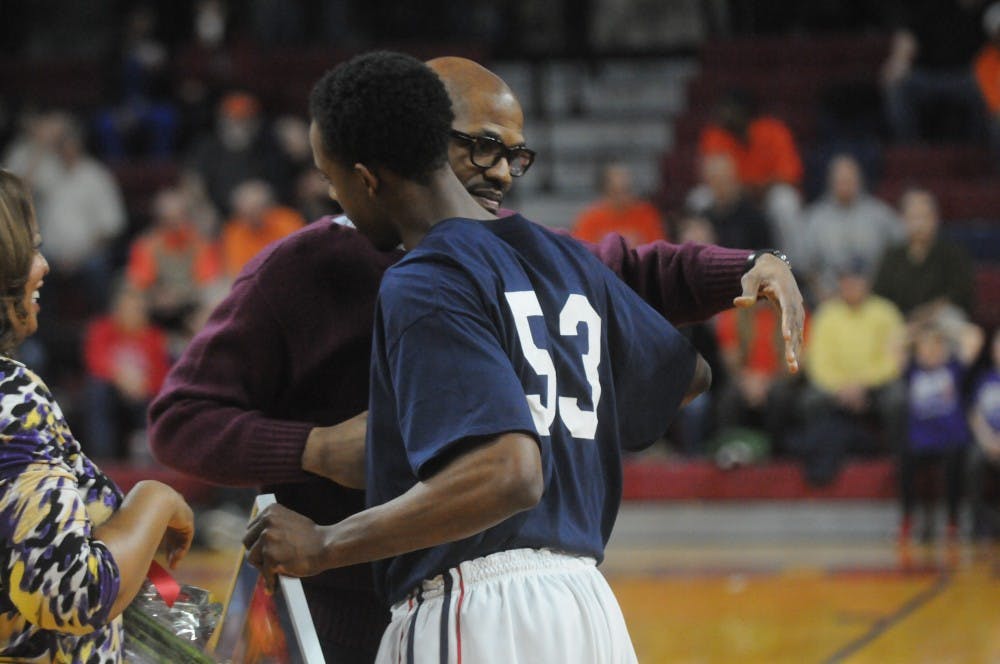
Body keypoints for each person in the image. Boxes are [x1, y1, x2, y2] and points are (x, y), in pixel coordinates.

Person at [149, 56, 804, 662]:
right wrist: (313, 448)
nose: (501, 170)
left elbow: (512, 466)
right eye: (484, 145)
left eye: (515, 155)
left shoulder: (476, 264)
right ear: (423, 136)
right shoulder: (304, 270)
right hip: (499, 603)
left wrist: (745, 266)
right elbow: (179, 420)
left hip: (458, 596)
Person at [0, 170, 194, 662]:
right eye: (32, 248)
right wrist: (155, 498)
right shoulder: (10, 397)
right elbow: (75, 594)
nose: (42, 265)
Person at [899, 313, 983, 543]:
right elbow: (893, 345)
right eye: (926, 346)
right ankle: (907, 519)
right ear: (918, 349)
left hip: (950, 438)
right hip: (921, 439)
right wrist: (918, 329)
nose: (931, 350)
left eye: (936, 345)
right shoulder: (912, 370)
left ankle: (952, 520)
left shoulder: (954, 367)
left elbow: (975, 337)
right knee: (904, 459)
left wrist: (945, 328)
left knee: (955, 460)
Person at [83, 281, 171, 461]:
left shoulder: (154, 337)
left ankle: (153, 459)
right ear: (117, 310)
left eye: (137, 309)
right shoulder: (102, 329)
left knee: (160, 403)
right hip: (112, 390)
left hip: (143, 393)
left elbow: (162, 375)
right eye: (127, 308)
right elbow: (94, 362)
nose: (132, 313)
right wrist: (121, 376)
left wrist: (143, 384)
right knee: (97, 391)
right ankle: (103, 459)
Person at [800, 154, 903, 302]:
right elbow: (806, 268)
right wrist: (822, 295)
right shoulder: (814, 219)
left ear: (860, 181)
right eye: (841, 181)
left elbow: (903, 250)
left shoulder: (880, 215)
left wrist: (882, 287)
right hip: (828, 300)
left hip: (875, 298)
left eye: (850, 180)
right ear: (831, 182)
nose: (845, 185)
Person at [125, 187, 221, 329]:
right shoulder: (147, 245)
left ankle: (200, 346)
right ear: (159, 220)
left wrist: (180, 295)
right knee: (130, 302)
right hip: (156, 306)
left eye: (179, 218)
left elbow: (208, 283)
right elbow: (139, 282)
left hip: (191, 304)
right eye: (168, 220)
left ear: (187, 218)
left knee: (215, 299)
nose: (175, 226)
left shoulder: (200, 244)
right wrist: (155, 295)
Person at [873, 188, 975, 318]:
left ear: (935, 219)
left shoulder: (953, 254)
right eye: (914, 217)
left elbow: (961, 296)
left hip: (942, 323)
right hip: (901, 324)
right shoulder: (891, 256)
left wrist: (925, 317)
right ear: (903, 219)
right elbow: (880, 299)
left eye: (924, 217)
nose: (919, 224)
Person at [219, 179, 304, 277]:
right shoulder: (234, 232)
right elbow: (238, 270)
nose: (253, 216)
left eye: (257, 209)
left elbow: (299, 253)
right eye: (247, 212)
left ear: (269, 206)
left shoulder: (287, 220)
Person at [572, 163, 666, 247]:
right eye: (618, 191)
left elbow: (658, 254)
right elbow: (582, 257)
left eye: (628, 190)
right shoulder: (589, 219)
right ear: (605, 191)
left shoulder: (646, 214)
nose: (624, 196)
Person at [969, 327, 1000, 539]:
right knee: (973, 461)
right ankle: (979, 523)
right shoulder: (983, 379)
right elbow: (975, 414)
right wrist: (988, 440)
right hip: (986, 441)